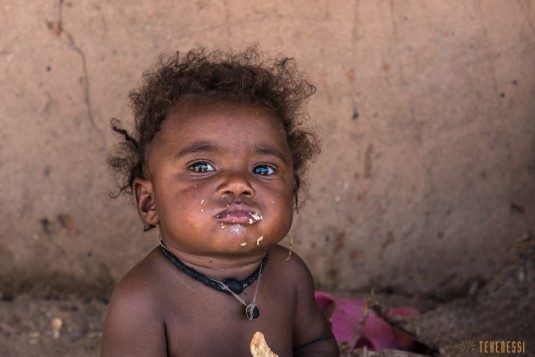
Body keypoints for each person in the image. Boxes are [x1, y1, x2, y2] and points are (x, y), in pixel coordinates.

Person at [101, 47, 339, 356]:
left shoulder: (290, 274)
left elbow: (314, 344)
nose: (239, 184)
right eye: (202, 167)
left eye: (263, 169)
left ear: (291, 196)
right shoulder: (141, 301)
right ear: (149, 203)